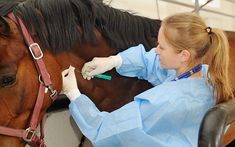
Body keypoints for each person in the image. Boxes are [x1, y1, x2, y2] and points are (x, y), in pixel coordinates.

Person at [61, 12, 234, 147]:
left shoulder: (161, 102)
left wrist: (74, 95)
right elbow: (151, 63)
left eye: (161, 47)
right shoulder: (205, 78)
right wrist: (114, 61)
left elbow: (105, 129)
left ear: (184, 55)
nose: (156, 50)